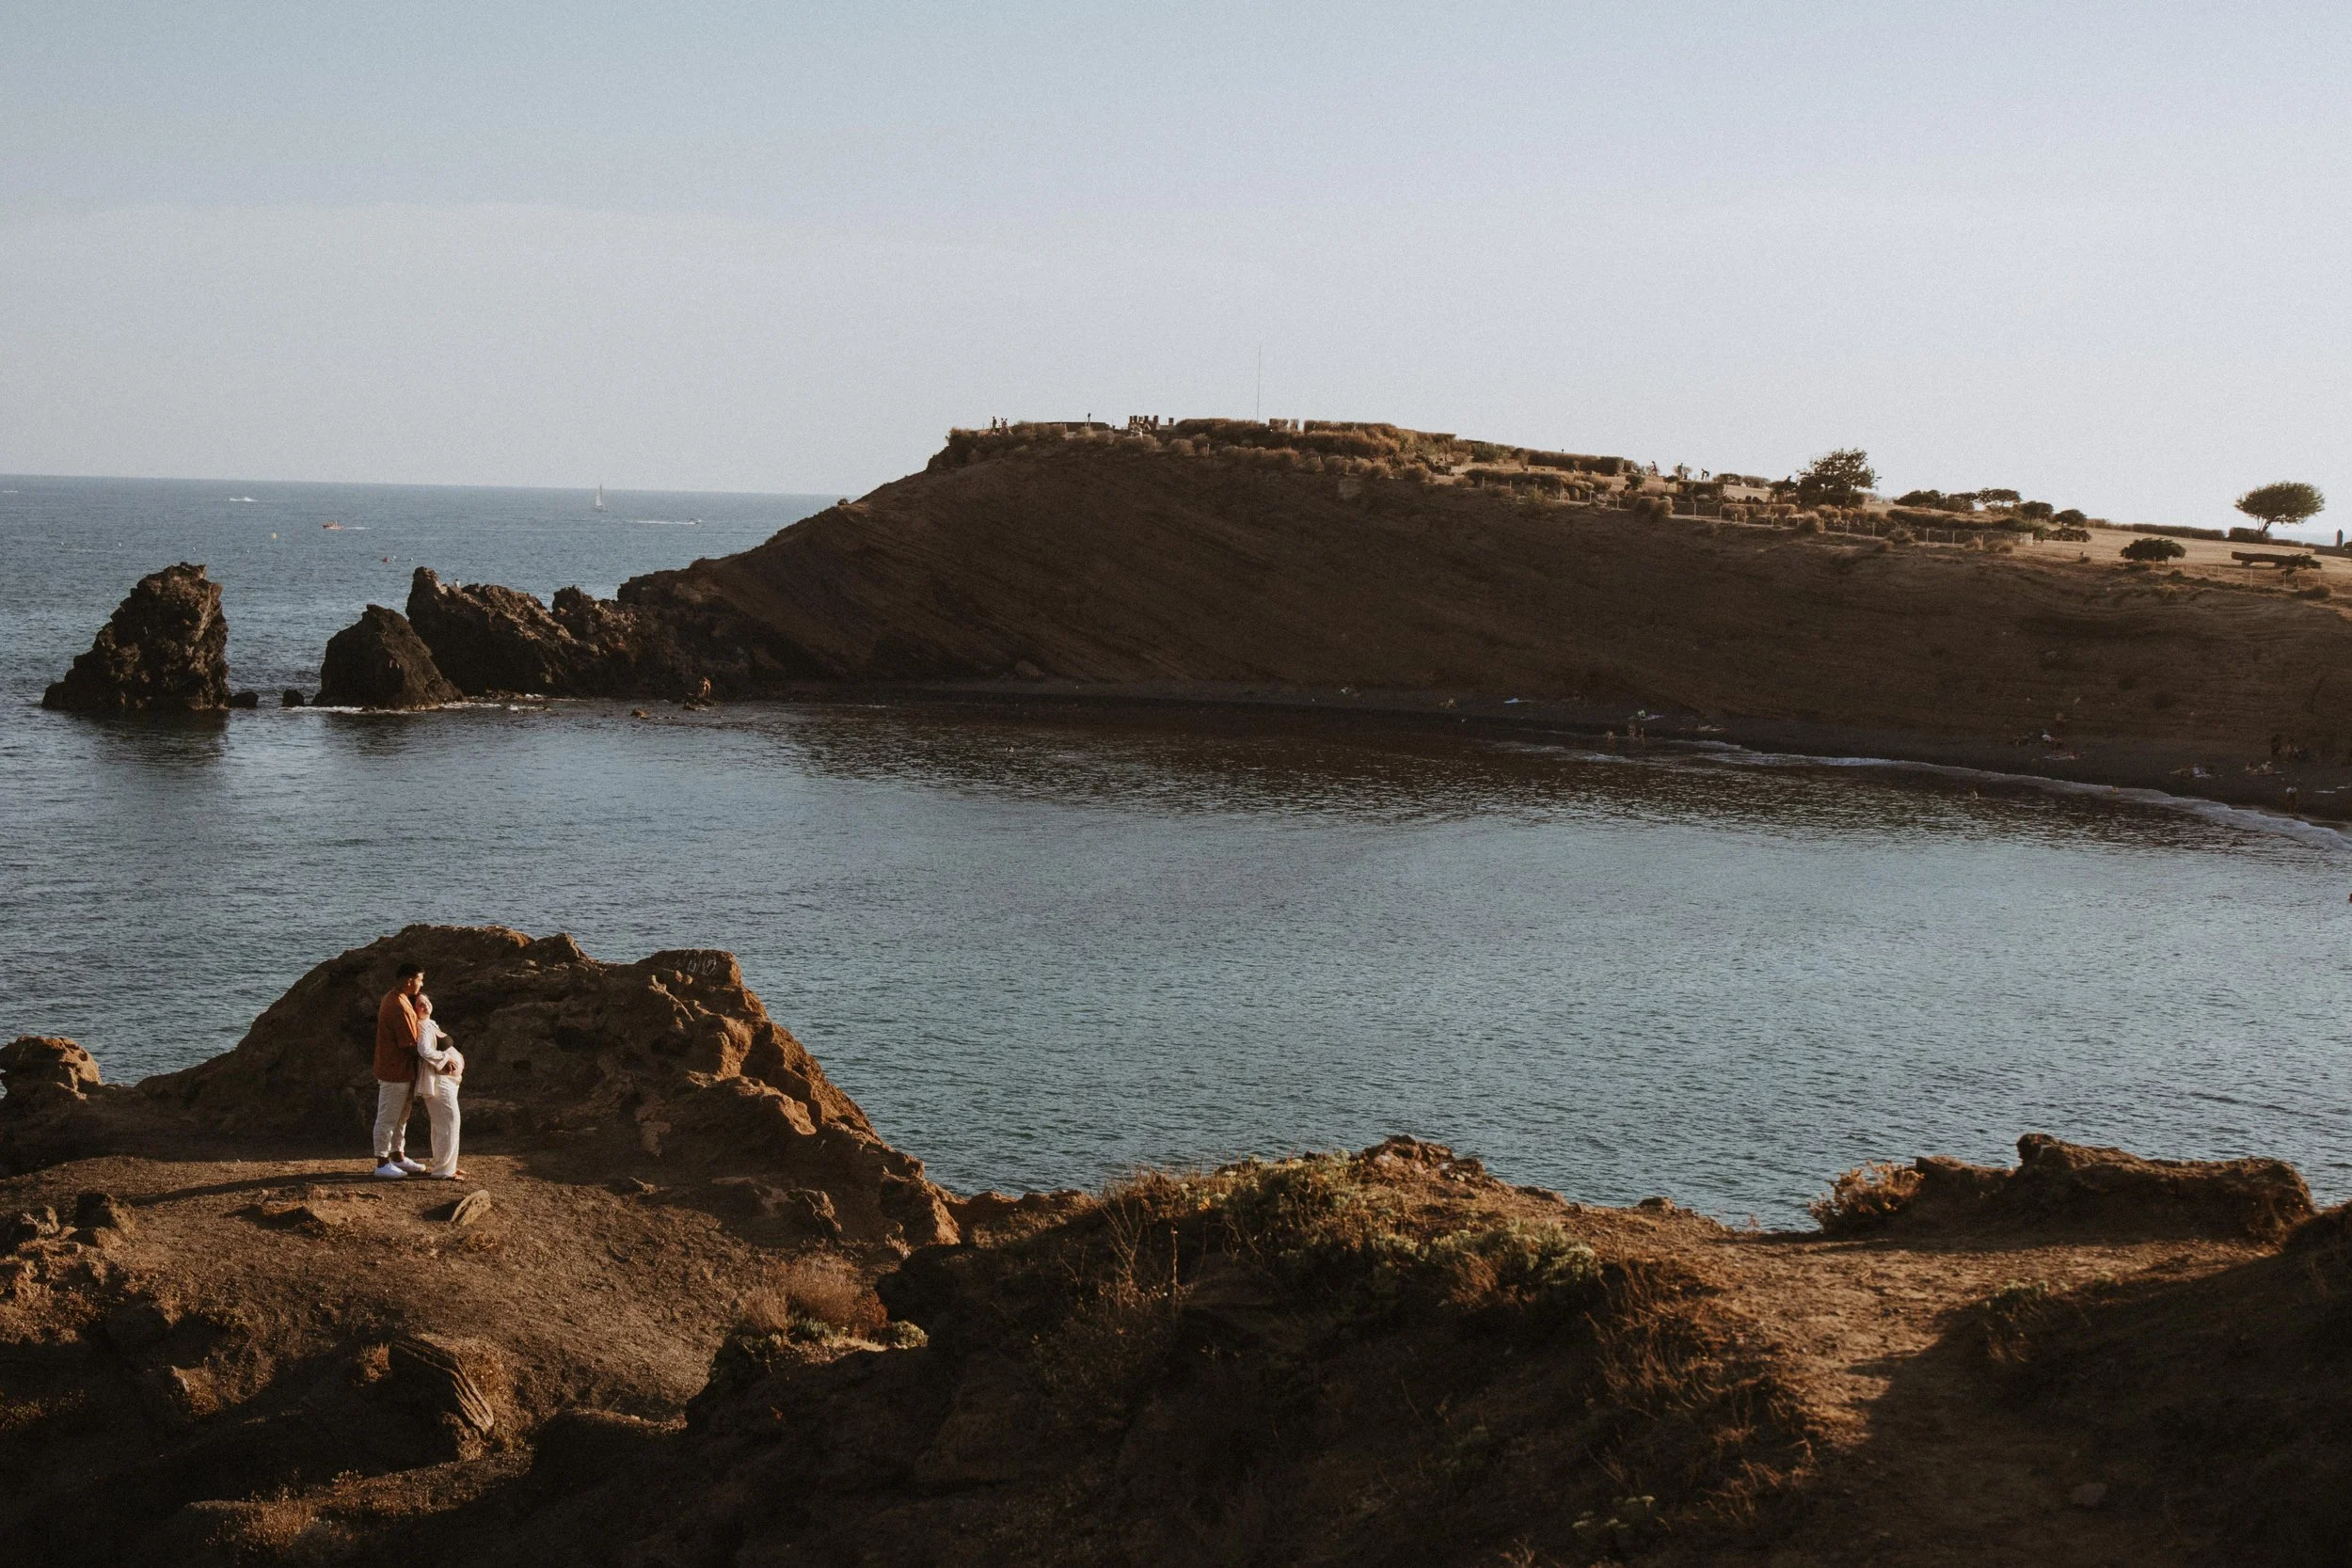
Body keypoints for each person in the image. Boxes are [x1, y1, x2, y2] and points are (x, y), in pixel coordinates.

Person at [372, 964, 430, 1179]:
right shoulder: (397, 1004)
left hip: (402, 1070)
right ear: (409, 981)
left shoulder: (399, 998)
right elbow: (408, 1043)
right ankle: (382, 1162)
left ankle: (398, 1156)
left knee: (401, 1117)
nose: (421, 984)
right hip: (394, 1070)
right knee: (388, 1117)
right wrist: (437, 1057)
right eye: (419, 980)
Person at [411, 999, 466, 1180]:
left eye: (426, 1001)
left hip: (449, 1081)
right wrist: (446, 1058)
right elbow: (424, 1050)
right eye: (419, 1004)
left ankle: (445, 1166)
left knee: (443, 1124)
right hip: (439, 1081)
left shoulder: (431, 1023)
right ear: (413, 1009)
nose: (425, 1005)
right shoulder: (424, 1026)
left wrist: (456, 1056)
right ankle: (443, 1171)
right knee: (449, 1123)